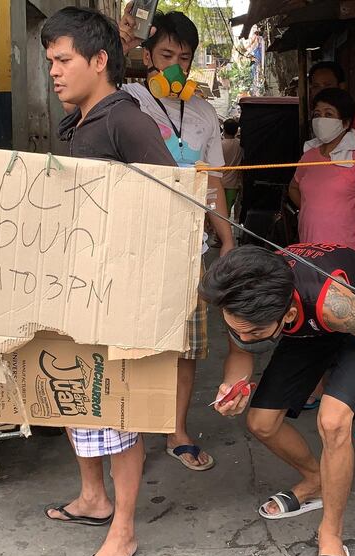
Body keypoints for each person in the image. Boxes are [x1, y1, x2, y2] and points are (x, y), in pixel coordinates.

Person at [40, 8, 176, 556]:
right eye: (50, 60)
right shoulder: (77, 123)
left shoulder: (127, 121)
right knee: (78, 397)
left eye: (63, 60)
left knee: (117, 410)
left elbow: (171, 199)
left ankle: (123, 528)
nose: (53, 71)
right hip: (77, 288)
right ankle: (93, 497)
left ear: (99, 61)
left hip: (118, 293)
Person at [201, 243, 355, 556]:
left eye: (255, 332)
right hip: (310, 323)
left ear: (289, 315)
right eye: (236, 328)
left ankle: (331, 535)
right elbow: (240, 352)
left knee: (334, 422)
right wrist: (233, 385)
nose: (245, 336)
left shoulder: (333, 304)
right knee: (261, 423)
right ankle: (317, 479)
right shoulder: (240, 300)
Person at [119, 6, 236, 471]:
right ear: (147, 55)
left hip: (188, 248)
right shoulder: (125, 101)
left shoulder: (205, 113)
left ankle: (177, 430)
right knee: (132, 342)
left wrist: (226, 241)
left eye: (184, 58)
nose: (176, 65)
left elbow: (213, 183)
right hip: (131, 245)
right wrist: (120, 41)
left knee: (186, 345)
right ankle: (126, 425)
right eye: (166, 53)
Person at [288, 88, 355, 250]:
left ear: (345, 123)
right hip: (308, 247)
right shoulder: (309, 155)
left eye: (329, 114)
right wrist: (312, 211)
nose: (321, 120)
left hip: (347, 250)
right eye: (317, 114)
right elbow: (293, 187)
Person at [308, 61, 355, 146]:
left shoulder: (354, 122)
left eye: (327, 85)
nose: (321, 91)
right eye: (316, 86)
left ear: (342, 86)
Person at [221, 118, 243, 218]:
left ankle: (216, 231)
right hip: (233, 184)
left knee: (216, 209)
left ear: (224, 130)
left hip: (219, 182)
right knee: (227, 210)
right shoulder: (240, 145)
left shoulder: (219, 145)